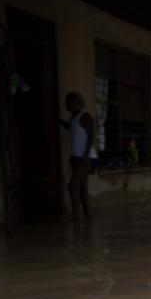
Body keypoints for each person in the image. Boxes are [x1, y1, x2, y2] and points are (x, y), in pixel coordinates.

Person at [62, 91, 98, 223]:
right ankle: (88, 219)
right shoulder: (73, 118)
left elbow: (92, 136)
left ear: (76, 103)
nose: (66, 105)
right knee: (82, 189)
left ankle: (77, 218)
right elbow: (70, 126)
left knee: (72, 187)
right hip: (77, 158)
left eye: (68, 102)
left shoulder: (85, 116)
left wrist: (86, 156)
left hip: (86, 158)